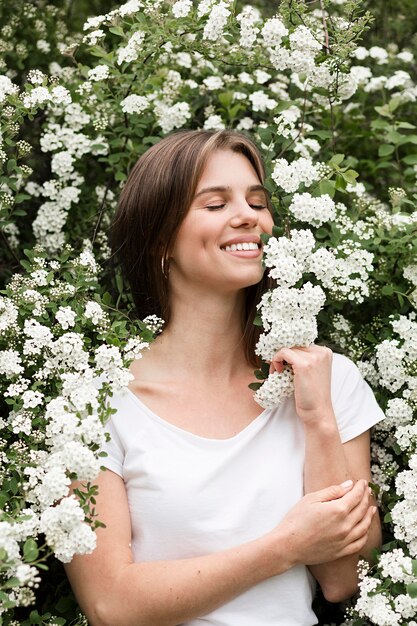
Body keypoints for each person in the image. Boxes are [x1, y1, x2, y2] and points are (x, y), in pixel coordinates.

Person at [65, 130, 384, 626]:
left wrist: (319, 421)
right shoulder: (98, 401)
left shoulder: (328, 379)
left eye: (257, 201)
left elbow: (344, 580)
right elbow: (112, 605)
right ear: (159, 240)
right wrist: (285, 547)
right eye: (215, 204)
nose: (249, 216)